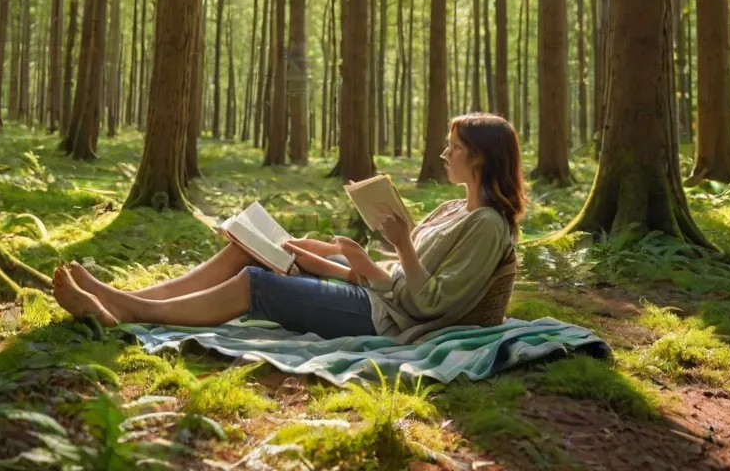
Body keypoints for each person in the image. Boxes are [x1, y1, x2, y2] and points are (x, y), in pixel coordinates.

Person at [52, 113, 525, 342]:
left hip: (385, 318)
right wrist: (333, 253)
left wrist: (398, 247)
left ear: (479, 157)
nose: (444, 155)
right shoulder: (451, 209)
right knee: (247, 249)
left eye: (454, 147)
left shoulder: (487, 226)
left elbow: (429, 302)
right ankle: (130, 299)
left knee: (258, 284)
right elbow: (395, 273)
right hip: (376, 293)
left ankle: (128, 312)